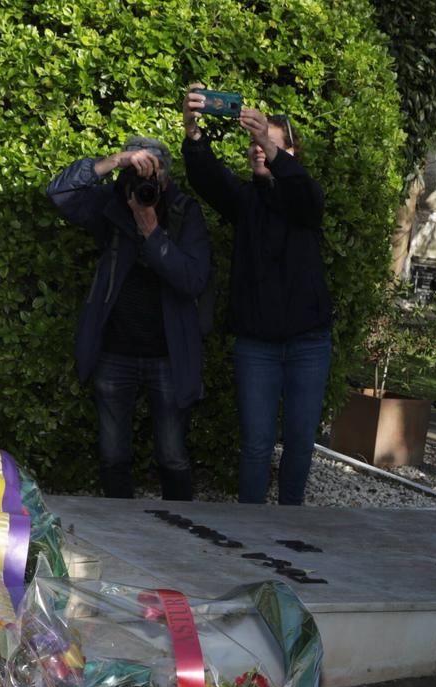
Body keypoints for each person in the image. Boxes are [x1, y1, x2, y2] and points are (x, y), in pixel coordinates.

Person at [181, 88, 332, 505]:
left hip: (308, 343)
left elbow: (308, 196)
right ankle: (249, 532)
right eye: (254, 143)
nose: (259, 149)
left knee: (301, 443)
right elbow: (207, 177)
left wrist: (269, 141)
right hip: (257, 346)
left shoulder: (303, 199)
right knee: (256, 445)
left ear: (290, 151)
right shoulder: (244, 201)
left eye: (269, 142)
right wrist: (193, 131)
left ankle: (289, 524)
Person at [48, 136, 211, 501]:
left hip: (168, 356)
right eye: (138, 172)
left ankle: (183, 531)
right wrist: (115, 161)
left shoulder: (184, 213)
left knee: (172, 455)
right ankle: (119, 532)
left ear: (166, 179)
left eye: (153, 174)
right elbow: (59, 191)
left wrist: (152, 232)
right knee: (112, 454)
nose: (145, 183)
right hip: (115, 353)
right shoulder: (113, 203)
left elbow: (193, 280)